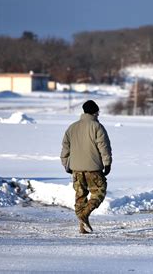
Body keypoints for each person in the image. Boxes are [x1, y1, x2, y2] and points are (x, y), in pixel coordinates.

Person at [60, 100, 112, 234]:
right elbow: (103, 147)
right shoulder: (97, 127)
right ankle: (85, 215)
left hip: (76, 169)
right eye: (98, 112)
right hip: (93, 168)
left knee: (80, 196)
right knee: (99, 191)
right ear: (95, 112)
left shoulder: (72, 127)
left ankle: (82, 226)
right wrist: (107, 163)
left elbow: (65, 148)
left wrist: (66, 163)